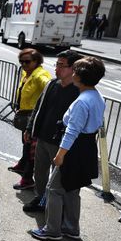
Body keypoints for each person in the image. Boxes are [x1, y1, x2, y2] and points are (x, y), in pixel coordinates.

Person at [29, 56, 106, 241]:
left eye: (75, 71)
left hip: (74, 146)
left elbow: (72, 131)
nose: (73, 73)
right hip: (86, 145)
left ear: (79, 76)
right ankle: (71, 227)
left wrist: (60, 154)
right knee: (72, 189)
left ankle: (52, 229)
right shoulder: (97, 95)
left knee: (54, 189)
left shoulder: (81, 101)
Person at [22, 50, 82, 212]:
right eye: (57, 64)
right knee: (39, 172)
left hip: (61, 143)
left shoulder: (78, 92)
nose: (57, 69)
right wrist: (30, 128)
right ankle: (41, 198)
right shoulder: (52, 84)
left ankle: (56, 208)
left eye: (62, 65)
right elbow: (38, 108)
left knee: (59, 179)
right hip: (43, 137)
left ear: (73, 69)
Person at [9, 48, 52, 190]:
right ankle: (22, 164)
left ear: (37, 61)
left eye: (27, 62)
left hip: (33, 117)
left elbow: (48, 84)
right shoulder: (27, 73)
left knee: (30, 149)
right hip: (25, 115)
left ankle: (27, 178)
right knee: (25, 143)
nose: (23, 64)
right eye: (21, 62)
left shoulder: (40, 74)